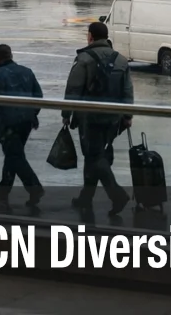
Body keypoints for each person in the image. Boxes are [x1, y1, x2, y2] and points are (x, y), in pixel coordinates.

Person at [63, 22, 133, 216]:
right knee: (94, 155)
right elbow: (127, 90)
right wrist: (127, 115)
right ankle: (86, 196)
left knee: (94, 156)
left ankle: (117, 194)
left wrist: (66, 113)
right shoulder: (121, 60)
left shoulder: (84, 58)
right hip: (112, 117)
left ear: (91, 36)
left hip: (89, 116)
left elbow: (73, 88)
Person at [0, 44, 45, 207]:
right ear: (11, 55)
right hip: (26, 123)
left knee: (15, 156)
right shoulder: (27, 72)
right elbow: (39, 96)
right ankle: (3, 190)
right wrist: (33, 115)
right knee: (13, 155)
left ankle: (34, 187)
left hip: (7, 123)